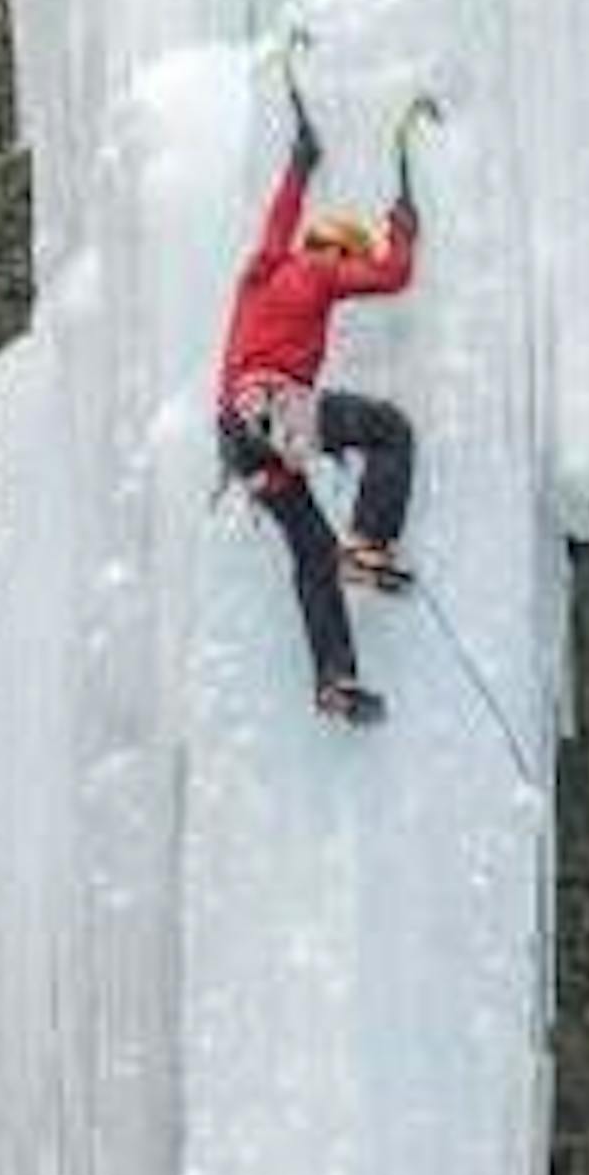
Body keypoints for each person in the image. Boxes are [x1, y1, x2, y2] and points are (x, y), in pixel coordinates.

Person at [215, 90, 419, 725]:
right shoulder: (319, 270)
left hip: (236, 436)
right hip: (273, 409)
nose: (348, 270)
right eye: (348, 257)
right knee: (388, 431)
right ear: (338, 251)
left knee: (311, 552)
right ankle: (372, 542)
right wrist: (403, 231)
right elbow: (392, 276)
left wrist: (301, 165)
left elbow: (278, 218)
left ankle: (335, 679)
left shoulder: (264, 268)